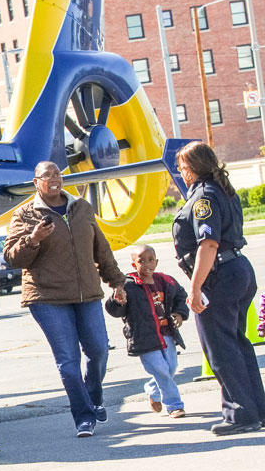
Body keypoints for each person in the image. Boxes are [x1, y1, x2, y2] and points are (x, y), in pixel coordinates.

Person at [3, 161, 127, 438]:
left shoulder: (81, 207)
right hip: (47, 297)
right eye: (46, 176)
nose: (54, 179)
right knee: (68, 361)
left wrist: (117, 281)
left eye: (57, 174)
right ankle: (84, 417)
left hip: (87, 293)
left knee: (99, 351)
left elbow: (101, 249)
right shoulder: (24, 215)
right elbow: (11, 258)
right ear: (36, 182)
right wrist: (32, 240)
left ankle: (93, 398)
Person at [172, 142, 265, 435]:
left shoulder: (205, 196)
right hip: (236, 270)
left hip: (219, 276)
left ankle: (240, 414)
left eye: (183, 167)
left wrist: (195, 287)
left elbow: (208, 244)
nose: (181, 172)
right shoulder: (223, 189)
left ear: (193, 168)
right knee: (236, 344)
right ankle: (255, 409)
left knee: (221, 350)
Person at [104, 245, 188, 418]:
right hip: (145, 337)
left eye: (151, 260)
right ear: (134, 265)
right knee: (160, 369)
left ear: (156, 262)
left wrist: (179, 314)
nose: (147, 264)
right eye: (141, 261)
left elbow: (181, 295)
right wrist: (117, 301)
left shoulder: (166, 281)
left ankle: (153, 390)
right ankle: (174, 405)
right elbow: (115, 310)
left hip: (166, 333)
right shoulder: (128, 285)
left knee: (171, 367)